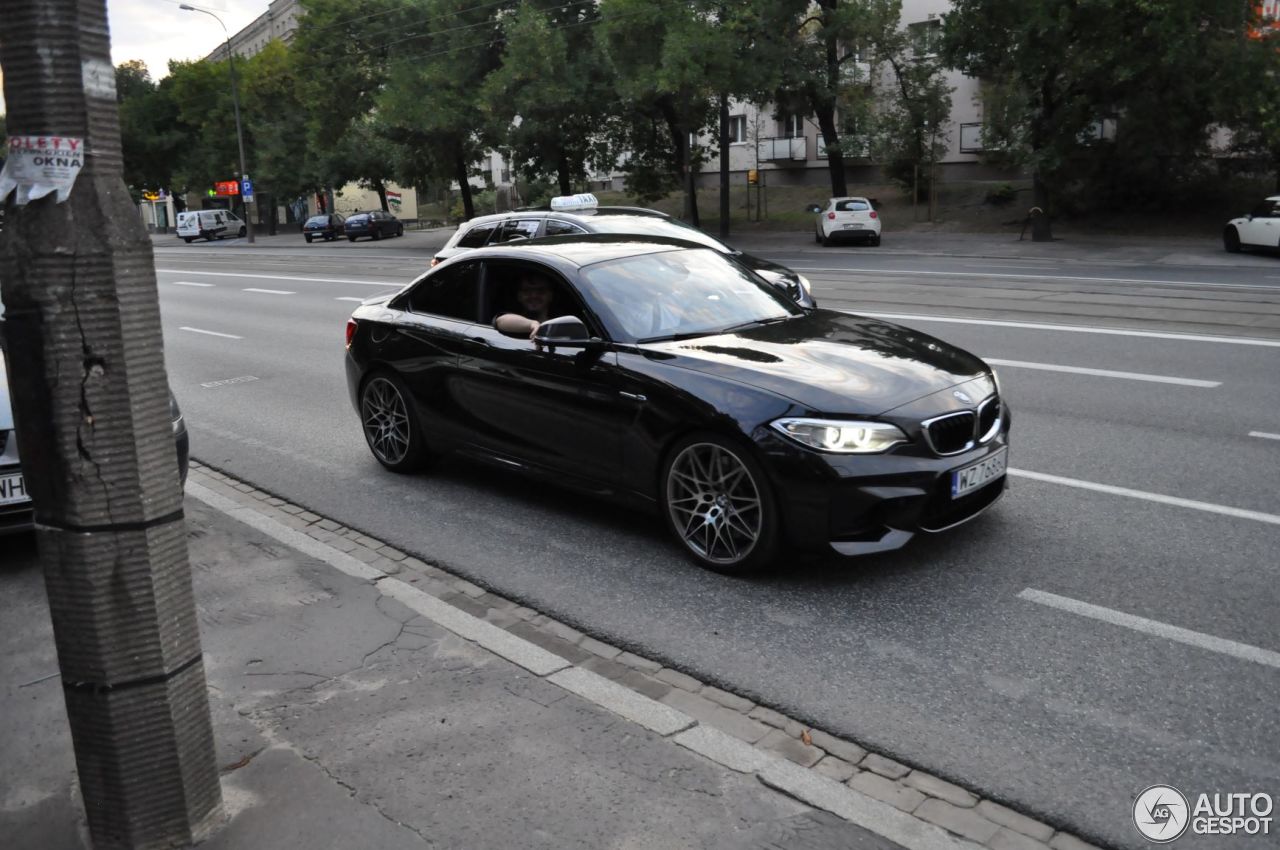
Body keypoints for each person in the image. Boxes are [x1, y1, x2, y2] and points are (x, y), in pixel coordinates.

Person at [495, 273, 555, 338]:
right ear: (519, 296)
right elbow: (501, 321)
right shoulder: (512, 321)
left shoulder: (557, 325)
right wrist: (533, 324)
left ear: (550, 296)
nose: (534, 296)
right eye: (527, 291)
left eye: (540, 291)